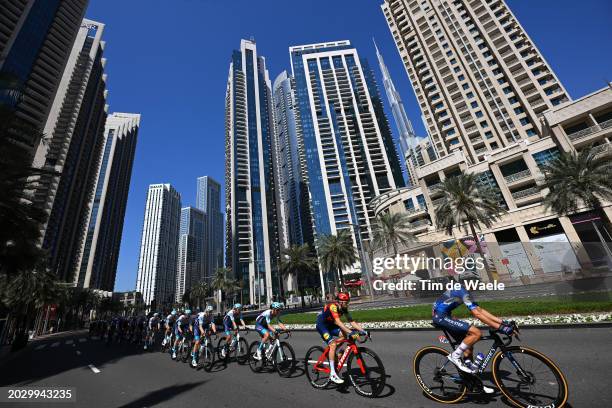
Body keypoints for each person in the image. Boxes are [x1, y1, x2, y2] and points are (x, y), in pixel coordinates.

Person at [432, 279, 514, 376]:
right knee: (477, 333)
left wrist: (503, 323)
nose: (478, 284)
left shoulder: (464, 290)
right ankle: (455, 356)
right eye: (476, 282)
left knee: (468, 346)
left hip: (445, 315)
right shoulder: (462, 290)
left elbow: (479, 310)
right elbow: (477, 314)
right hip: (441, 317)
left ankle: (469, 379)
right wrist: (502, 328)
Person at [315, 292, 366, 384]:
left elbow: (352, 322)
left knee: (344, 336)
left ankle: (333, 352)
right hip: (322, 326)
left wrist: (363, 331)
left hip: (331, 325)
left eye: (348, 302)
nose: (347, 304)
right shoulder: (333, 307)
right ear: (340, 302)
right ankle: (333, 374)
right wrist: (352, 332)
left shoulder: (344, 308)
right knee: (333, 344)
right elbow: (338, 322)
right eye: (346, 302)